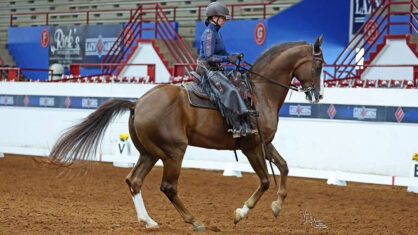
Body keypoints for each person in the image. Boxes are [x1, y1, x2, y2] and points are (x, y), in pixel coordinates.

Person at [197, 1, 256, 138]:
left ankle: (245, 120)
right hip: (207, 70)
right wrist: (228, 59)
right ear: (213, 17)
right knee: (231, 90)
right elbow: (209, 57)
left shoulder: (217, 33)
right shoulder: (209, 34)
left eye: (224, 18)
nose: (224, 20)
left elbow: (223, 52)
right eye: (222, 18)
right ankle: (236, 125)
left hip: (215, 69)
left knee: (240, 83)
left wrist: (233, 55)